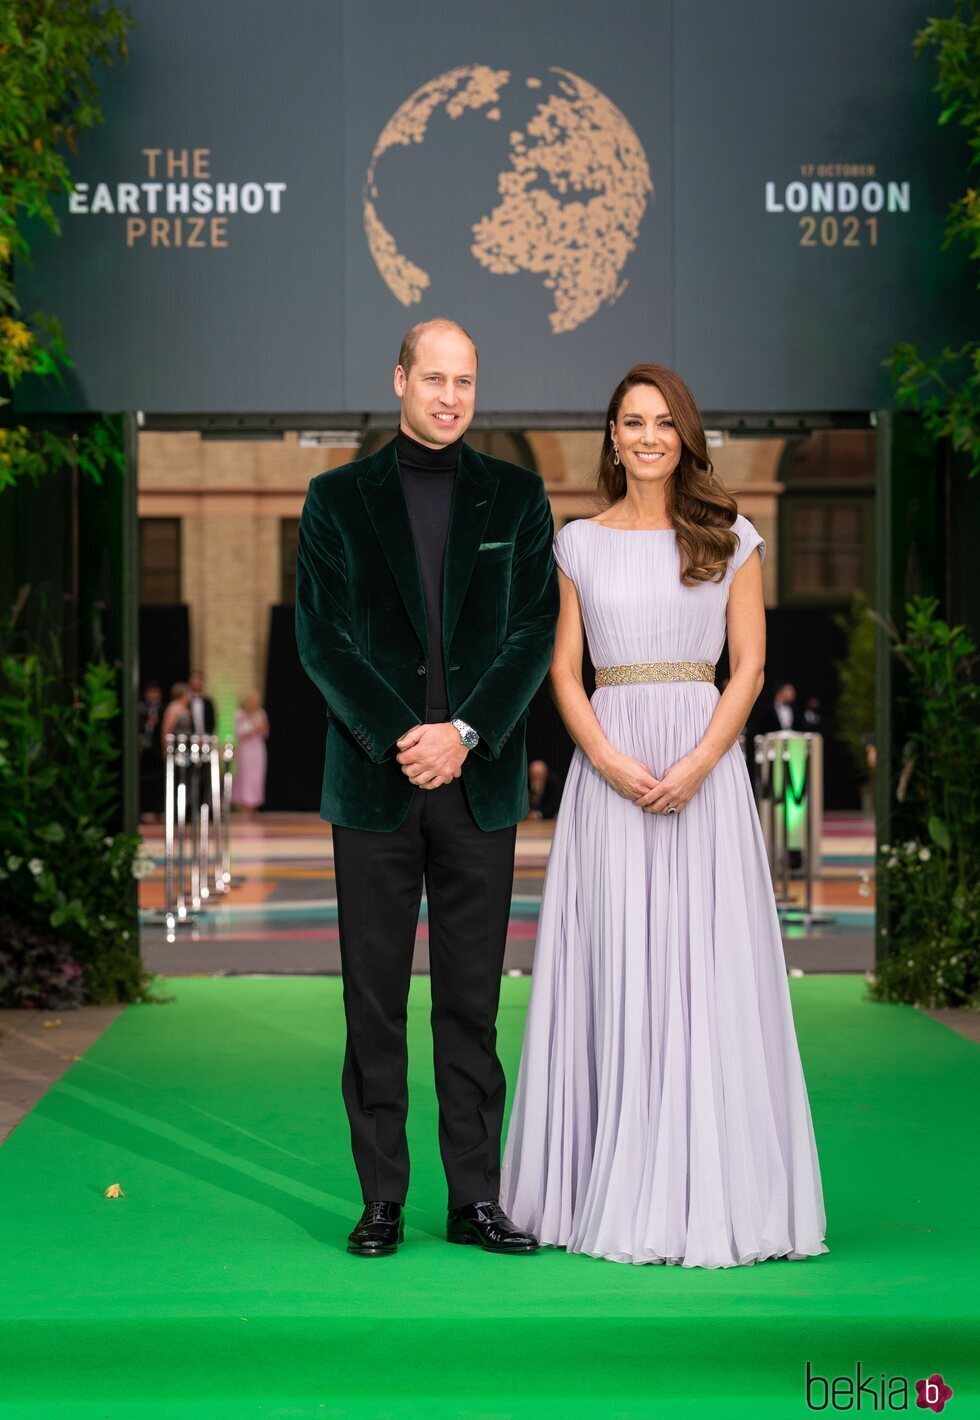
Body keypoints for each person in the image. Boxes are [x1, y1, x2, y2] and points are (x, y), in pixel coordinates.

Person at [501, 363, 826, 1268]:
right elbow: (565, 671)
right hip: (608, 777)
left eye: (663, 422)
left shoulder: (731, 537)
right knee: (612, 963)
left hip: (703, 772)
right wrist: (603, 758)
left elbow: (749, 669)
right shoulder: (577, 545)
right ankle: (600, 1180)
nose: (647, 436)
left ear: (685, 435)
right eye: (631, 422)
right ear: (611, 436)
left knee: (701, 966)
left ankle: (708, 1193)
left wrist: (695, 765)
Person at [295, 318, 558, 1258]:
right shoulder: (334, 500)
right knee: (372, 999)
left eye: (466, 382)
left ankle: (475, 1198)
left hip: (477, 784)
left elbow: (533, 630)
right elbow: (323, 640)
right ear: (399, 377)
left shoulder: (520, 499)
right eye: (434, 377)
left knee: (472, 999)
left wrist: (465, 733)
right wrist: (406, 739)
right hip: (375, 783)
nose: (450, 397)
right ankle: (382, 1198)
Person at [232, 690, 269, 813]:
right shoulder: (240, 714)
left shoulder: (261, 713)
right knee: (245, 775)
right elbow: (238, 732)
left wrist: (259, 728)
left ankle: (253, 804)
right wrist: (252, 729)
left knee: (256, 775)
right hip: (246, 748)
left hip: (257, 748)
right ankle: (243, 803)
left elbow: (265, 732)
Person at [138, 682, 164, 819]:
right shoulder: (142, 707)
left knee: (159, 779)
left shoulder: (163, 708)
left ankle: (159, 809)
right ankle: (145, 808)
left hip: (157, 748)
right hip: (145, 749)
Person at [188, 670, 217, 736]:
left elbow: (212, 722)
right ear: (191, 682)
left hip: (206, 739)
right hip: (190, 738)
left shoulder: (208, 702)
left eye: (199, 680)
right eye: (195, 680)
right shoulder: (187, 701)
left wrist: (206, 736)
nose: (197, 682)